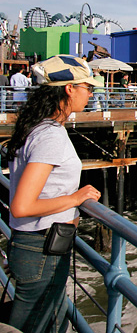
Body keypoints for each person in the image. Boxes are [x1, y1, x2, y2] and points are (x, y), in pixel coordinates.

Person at [5, 54, 101, 332]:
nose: (90, 94)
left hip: (36, 244)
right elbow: (21, 206)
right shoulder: (50, 135)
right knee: (31, 325)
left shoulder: (37, 127)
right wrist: (76, 197)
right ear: (69, 88)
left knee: (52, 321)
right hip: (41, 248)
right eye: (88, 88)